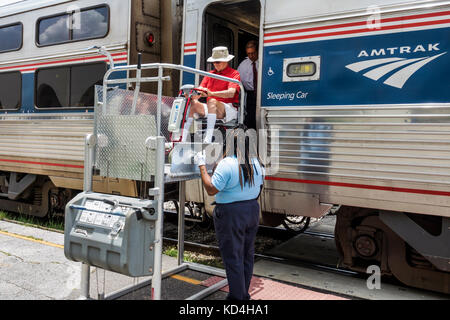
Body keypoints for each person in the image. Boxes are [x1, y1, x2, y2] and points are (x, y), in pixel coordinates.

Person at [194, 127, 265, 300]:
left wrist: (202, 165)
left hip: (231, 214)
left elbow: (211, 189)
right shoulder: (257, 162)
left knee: (233, 257)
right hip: (251, 211)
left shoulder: (227, 164)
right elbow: (260, 188)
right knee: (247, 256)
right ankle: (243, 295)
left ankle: (236, 299)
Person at [181, 46, 241, 144]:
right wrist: (191, 96)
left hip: (228, 109)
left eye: (217, 62)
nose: (215, 64)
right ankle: (182, 139)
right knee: (193, 103)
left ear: (226, 61)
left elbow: (231, 93)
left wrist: (212, 93)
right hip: (211, 107)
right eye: (214, 62)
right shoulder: (210, 74)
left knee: (211, 101)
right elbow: (199, 93)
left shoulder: (234, 73)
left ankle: (207, 139)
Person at [237, 40, 258, 130]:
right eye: (248, 53)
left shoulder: (264, 61)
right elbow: (237, 81)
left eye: (253, 53)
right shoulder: (243, 65)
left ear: (258, 51)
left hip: (263, 93)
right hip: (250, 95)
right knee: (250, 119)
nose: (250, 56)